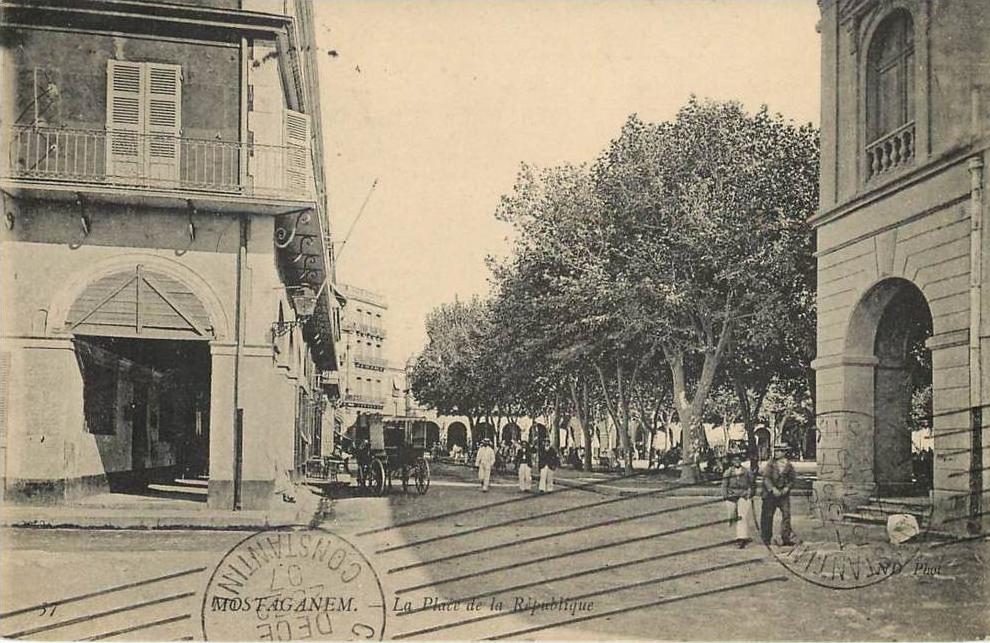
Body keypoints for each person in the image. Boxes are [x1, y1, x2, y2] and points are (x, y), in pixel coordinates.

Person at [760, 446, 797, 546]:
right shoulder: (770, 464)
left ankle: (786, 537)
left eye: (779, 451)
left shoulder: (789, 465)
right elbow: (766, 478)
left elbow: (792, 480)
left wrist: (787, 488)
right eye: (776, 451)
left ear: (784, 453)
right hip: (770, 495)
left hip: (783, 495)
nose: (776, 453)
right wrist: (772, 489)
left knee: (786, 515)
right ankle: (766, 538)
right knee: (767, 515)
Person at [721, 451, 753, 548]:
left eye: (739, 460)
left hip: (743, 495)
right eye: (735, 460)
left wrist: (749, 493)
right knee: (731, 516)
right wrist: (726, 496)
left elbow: (752, 484)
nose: (737, 462)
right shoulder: (728, 472)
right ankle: (735, 535)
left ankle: (741, 537)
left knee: (742, 516)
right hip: (732, 496)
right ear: (732, 461)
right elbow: (724, 486)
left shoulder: (747, 472)